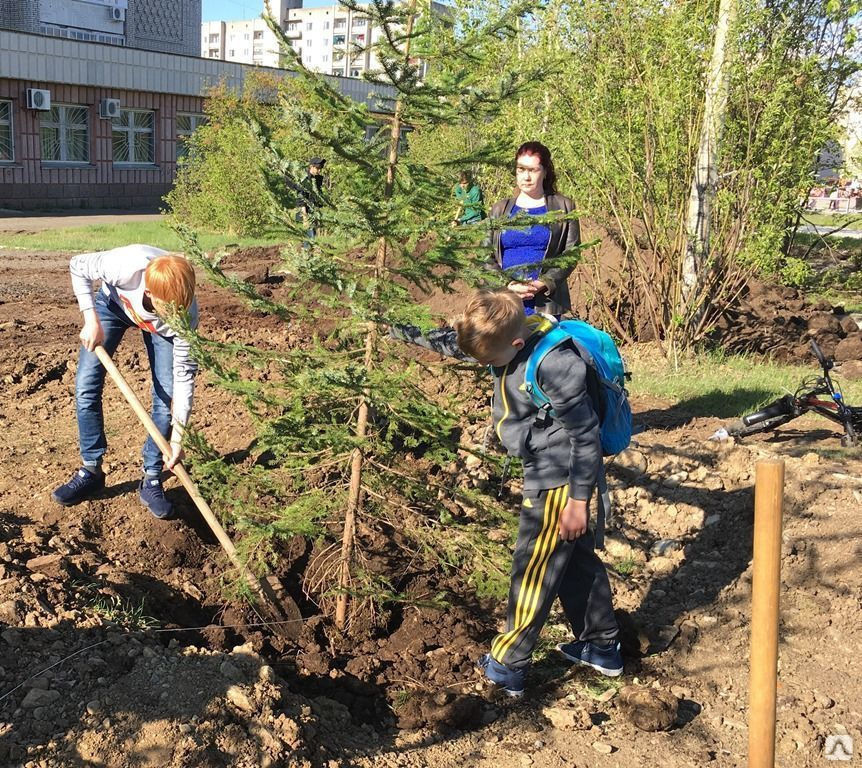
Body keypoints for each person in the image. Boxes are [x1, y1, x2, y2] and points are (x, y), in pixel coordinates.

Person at [453, 287, 622, 697]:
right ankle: (602, 645)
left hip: (559, 478)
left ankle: (509, 665)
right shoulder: (503, 333)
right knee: (573, 559)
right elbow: (460, 343)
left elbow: (584, 435)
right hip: (547, 467)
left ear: (514, 343)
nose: (485, 367)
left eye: (489, 361)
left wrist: (578, 502)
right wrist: (392, 326)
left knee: (533, 568)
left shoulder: (557, 365)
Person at [51, 246, 199, 520]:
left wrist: (177, 441)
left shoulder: (184, 317)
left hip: (160, 334)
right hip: (112, 308)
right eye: (170, 309)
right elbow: (77, 265)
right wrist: (90, 319)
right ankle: (91, 470)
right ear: (149, 293)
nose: (176, 314)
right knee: (86, 387)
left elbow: (184, 382)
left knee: (166, 400)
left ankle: (152, 477)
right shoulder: (125, 265)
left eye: (181, 308)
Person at [486, 141, 580, 318]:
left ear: (545, 172)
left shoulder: (564, 207)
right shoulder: (499, 209)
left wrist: (544, 282)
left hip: (546, 306)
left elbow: (571, 253)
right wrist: (508, 284)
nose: (526, 177)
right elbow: (484, 255)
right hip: (504, 305)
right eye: (521, 169)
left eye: (533, 170)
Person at [297, 157, 326, 242]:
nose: (319, 170)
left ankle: (311, 252)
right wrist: (305, 217)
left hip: (314, 211)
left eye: (320, 168)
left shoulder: (317, 179)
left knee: (314, 236)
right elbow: (301, 199)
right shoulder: (305, 180)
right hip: (306, 211)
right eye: (317, 168)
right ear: (311, 167)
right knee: (310, 237)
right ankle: (307, 252)